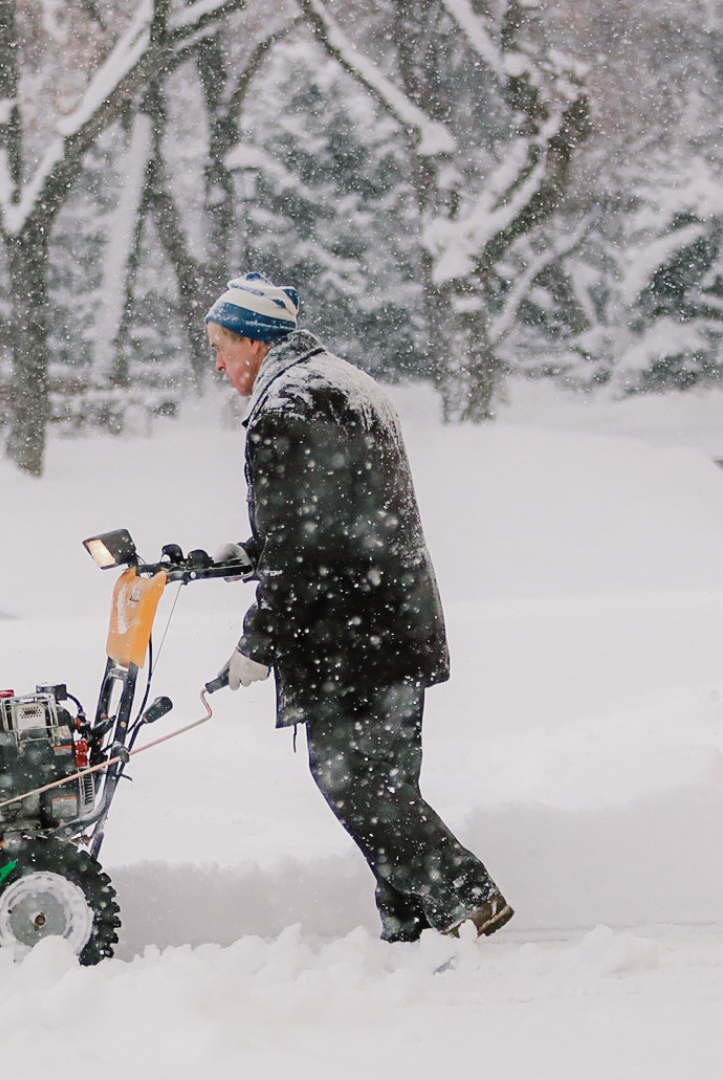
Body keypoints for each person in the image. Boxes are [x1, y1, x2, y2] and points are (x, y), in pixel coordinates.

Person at [206, 273, 512, 942]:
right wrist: (239, 555)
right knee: (388, 783)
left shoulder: (285, 410)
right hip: (397, 624)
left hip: (344, 636)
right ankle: (410, 924)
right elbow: (334, 520)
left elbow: (302, 551)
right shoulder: (351, 385)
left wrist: (257, 644)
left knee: (355, 785)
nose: (221, 364)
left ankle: (466, 895)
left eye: (222, 346)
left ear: (253, 341)